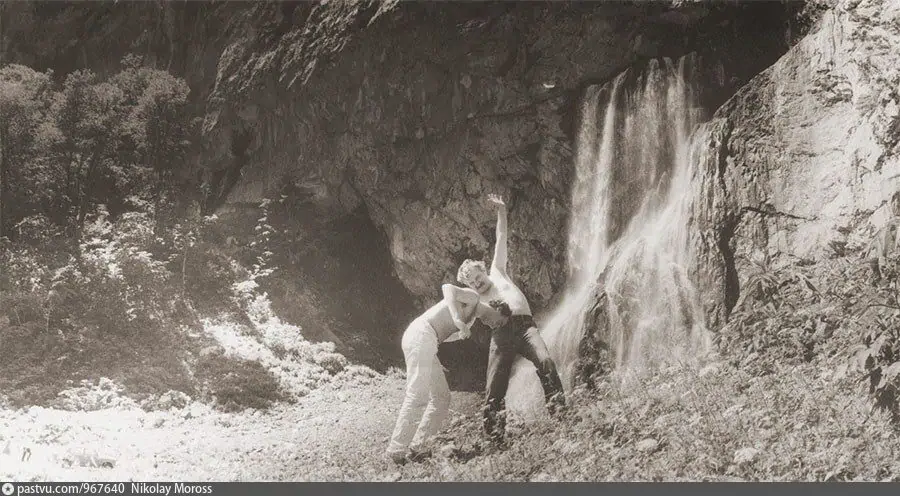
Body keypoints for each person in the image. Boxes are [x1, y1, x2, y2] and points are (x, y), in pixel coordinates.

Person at [457, 193, 566, 444]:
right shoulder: (475, 299)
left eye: (477, 276)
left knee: (546, 361)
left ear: (483, 269)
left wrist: (502, 210)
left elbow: (501, 238)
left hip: (526, 327)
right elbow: (468, 319)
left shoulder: (498, 271)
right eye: (472, 283)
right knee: (494, 385)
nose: (477, 282)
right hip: (502, 336)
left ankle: (560, 413)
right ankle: (494, 438)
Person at [385, 283, 512, 464]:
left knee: (442, 397)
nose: (495, 326)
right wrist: (457, 319)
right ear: (497, 308)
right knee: (417, 396)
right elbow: (447, 288)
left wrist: (435, 355)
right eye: (498, 321)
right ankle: (395, 452)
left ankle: (419, 447)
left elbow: (442, 331)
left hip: (428, 342)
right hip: (421, 334)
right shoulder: (473, 297)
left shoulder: (472, 320)